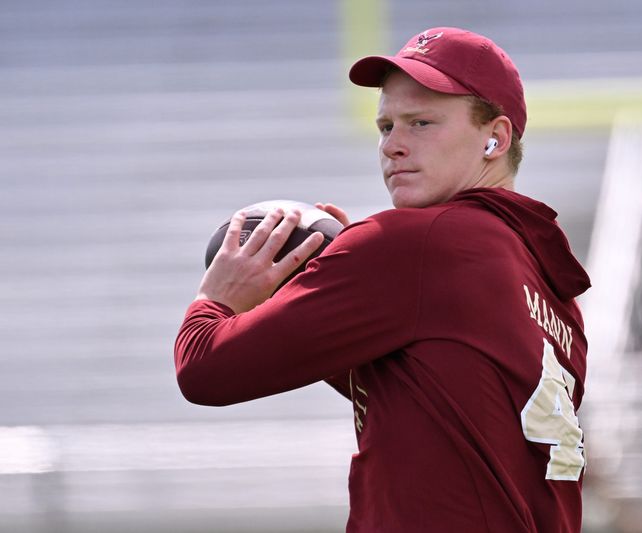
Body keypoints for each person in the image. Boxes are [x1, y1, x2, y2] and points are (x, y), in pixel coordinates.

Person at [175, 27, 591, 532]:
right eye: (386, 126)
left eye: (421, 123)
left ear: (496, 138)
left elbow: (205, 370)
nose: (393, 146)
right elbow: (430, 401)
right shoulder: (551, 285)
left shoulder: (415, 243)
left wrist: (216, 299)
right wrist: (347, 293)